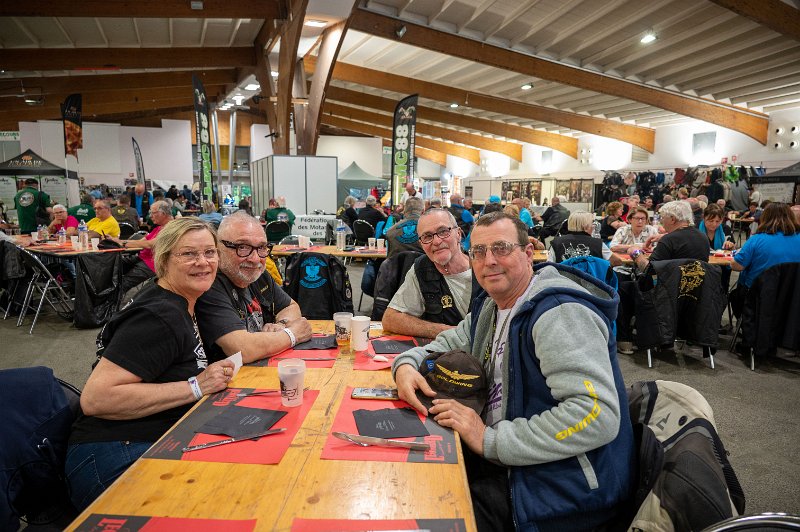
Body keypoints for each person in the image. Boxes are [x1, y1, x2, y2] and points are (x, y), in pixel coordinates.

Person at [392, 212, 633, 531]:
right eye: (479, 251)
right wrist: (407, 364)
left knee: (430, 516)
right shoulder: (493, 305)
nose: (489, 260)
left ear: (528, 253)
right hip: (510, 458)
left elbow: (596, 414)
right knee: (408, 481)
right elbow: (450, 342)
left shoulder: (559, 313)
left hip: (562, 486)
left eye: (501, 248)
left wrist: (488, 439)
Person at [65, 217, 235, 511]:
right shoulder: (159, 315)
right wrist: (196, 386)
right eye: (188, 254)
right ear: (164, 260)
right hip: (113, 452)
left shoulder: (183, 300)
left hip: (152, 438)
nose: (203, 262)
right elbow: (96, 399)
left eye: (210, 252)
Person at [195, 211, 311, 363]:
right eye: (243, 247)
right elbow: (243, 350)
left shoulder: (258, 274)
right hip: (235, 376)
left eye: (262, 247)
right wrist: (292, 334)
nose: (255, 259)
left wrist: (281, 325)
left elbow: (290, 306)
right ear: (219, 248)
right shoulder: (209, 284)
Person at [617, 201, 710, 354]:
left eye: (663, 218)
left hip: (664, 295)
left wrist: (635, 253)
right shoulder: (702, 237)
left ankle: (624, 338)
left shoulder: (669, 240)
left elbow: (648, 270)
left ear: (672, 219)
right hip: (692, 294)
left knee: (623, 288)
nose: (661, 221)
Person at [382, 208, 473, 339]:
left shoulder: (483, 267)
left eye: (443, 231)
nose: (436, 241)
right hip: (445, 350)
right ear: (421, 244)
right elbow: (390, 319)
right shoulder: (421, 269)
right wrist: (447, 332)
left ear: (458, 234)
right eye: (427, 236)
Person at [730, 203, 800, 289]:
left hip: (758, 292)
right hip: (792, 292)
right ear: (791, 217)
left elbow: (737, 265)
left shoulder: (756, 239)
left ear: (765, 218)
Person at [110, 201, 174, 293]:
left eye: (153, 213)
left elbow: (149, 244)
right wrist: (119, 241)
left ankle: (108, 300)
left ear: (163, 213)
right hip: (142, 259)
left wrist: (123, 244)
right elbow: (141, 241)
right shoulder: (159, 227)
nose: (150, 216)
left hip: (154, 264)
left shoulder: (171, 228)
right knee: (112, 265)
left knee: (123, 284)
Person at [548, 211, 622, 266]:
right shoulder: (598, 243)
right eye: (592, 223)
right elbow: (617, 261)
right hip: (591, 281)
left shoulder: (556, 242)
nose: (593, 226)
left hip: (564, 281)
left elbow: (549, 265)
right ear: (586, 226)